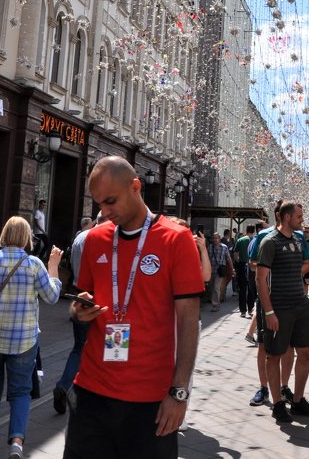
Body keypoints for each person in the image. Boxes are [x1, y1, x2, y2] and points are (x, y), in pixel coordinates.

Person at [63, 157, 203, 458]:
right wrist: (78, 310)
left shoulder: (176, 239)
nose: (104, 212)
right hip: (90, 393)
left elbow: (189, 320)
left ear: (136, 187)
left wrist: (179, 393)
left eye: (110, 201)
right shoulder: (95, 239)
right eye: (99, 204)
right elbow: (81, 298)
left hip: (149, 401)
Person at [0, 217, 62, 458]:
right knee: (20, 392)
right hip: (24, 340)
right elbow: (51, 297)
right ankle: (16, 443)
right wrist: (54, 269)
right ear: (27, 237)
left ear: (5, 234)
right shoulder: (33, 264)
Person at [256, 200, 309, 422]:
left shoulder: (297, 239)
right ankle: (277, 404)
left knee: (305, 353)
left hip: (301, 304)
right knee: (274, 355)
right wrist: (268, 312)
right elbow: (260, 279)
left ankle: (298, 401)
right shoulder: (269, 242)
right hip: (279, 307)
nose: (302, 220)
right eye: (298, 216)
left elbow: (304, 265)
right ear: (286, 217)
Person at [54, 216, 96, 415]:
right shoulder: (105, 237)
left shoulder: (80, 238)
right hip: (99, 299)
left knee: (79, 348)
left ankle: (63, 386)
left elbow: (71, 263)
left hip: (80, 294)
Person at [206, 232, 233, 312]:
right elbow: (206, 258)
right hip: (211, 270)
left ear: (219, 238)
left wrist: (232, 269)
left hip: (220, 271)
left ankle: (216, 305)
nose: (215, 240)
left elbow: (228, 259)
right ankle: (215, 300)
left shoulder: (224, 247)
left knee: (216, 287)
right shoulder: (210, 247)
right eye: (214, 238)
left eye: (217, 238)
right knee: (211, 287)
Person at [233, 224, 255, 318]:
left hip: (242, 265)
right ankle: (250, 309)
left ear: (246, 230)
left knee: (242, 289)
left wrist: (238, 262)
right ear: (253, 231)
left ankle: (242, 311)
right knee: (251, 288)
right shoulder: (255, 241)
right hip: (252, 266)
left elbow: (235, 254)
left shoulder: (240, 240)